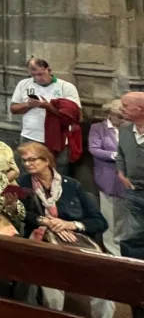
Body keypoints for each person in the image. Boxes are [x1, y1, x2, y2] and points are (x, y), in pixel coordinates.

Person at [17, 142, 114, 317]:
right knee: (52, 287)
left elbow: (100, 222)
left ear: (46, 161)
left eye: (31, 159)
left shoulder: (72, 185)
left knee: (103, 285)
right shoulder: (23, 184)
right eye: (24, 161)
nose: (27, 164)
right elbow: (21, 214)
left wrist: (71, 225)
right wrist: (46, 221)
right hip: (43, 240)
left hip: (75, 240)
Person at [10, 58, 81, 175]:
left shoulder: (66, 87)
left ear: (49, 70)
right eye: (33, 75)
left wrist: (48, 107)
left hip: (58, 138)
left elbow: (74, 116)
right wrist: (29, 104)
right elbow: (13, 109)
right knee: (29, 172)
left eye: (40, 74)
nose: (37, 78)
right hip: (30, 136)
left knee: (57, 172)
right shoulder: (24, 84)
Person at [87, 99, 126, 256]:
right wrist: (115, 155)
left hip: (127, 178)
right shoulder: (98, 128)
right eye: (118, 116)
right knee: (109, 216)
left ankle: (123, 247)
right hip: (108, 176)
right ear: (109, 114)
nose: (122, 120)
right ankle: (112, 250)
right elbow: (94, 149)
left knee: (124, 216)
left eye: (124, 116)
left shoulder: (129, 128)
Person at [117, 92, 144, 256]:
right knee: (132, 235)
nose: (121, 109)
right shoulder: (125, 129)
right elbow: (120, 152)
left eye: (126, 106)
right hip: (133, 192)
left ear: (140, 109)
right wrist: (121, 173)